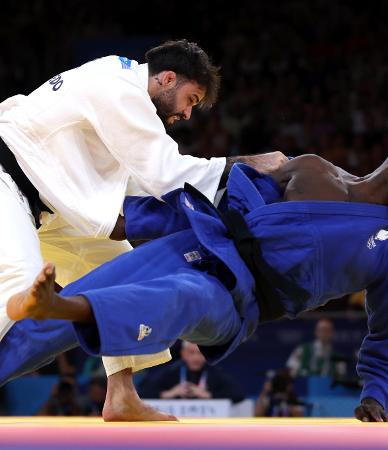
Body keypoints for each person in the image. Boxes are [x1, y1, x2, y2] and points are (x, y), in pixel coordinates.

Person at [5, 139, 388, 422]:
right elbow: (218, 201)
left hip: (237, 300)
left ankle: (66, 305)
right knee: (42, 320)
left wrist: (381, 399)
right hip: (202, 244)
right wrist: (132, 221)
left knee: (185, 297)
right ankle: (60, 309)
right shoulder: (313, 168)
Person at [0, 39, 286, 389]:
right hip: (6, 178)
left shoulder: (123, 89)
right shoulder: (121, 91)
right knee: (20, 281)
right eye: (191, 100)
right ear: (167, 79)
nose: (187, 114)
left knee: (125, 277)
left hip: (44, 201)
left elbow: (141, 187)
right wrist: (249, 164)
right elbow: (167, 174)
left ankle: (121, 394)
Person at [138, 341, 244, 404]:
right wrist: (169, 393)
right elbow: (142, 392)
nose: (196, 358)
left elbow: (238, 395)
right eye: (191, 353)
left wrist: (209, 395)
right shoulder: (172, 371)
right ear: (183, 353)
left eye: (200, 353)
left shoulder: (214, 373)